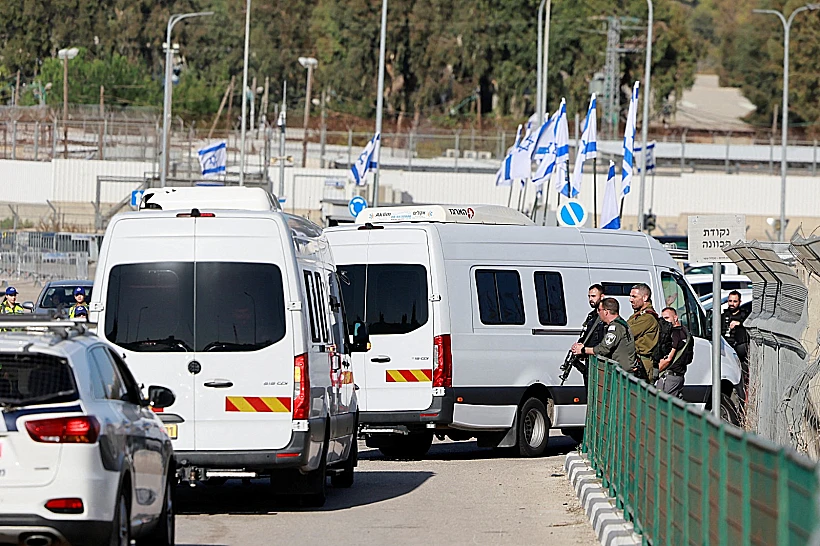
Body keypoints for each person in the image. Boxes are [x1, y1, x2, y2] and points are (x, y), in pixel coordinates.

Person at [571, 297, 637, 372]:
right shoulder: (617, 324)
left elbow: (604, 349)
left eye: (599, 310)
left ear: (606, 312)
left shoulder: (615, 327)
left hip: (622, 374)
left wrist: (583, 350)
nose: (598, 312)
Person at [562, 284, 607, 384]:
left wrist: (584, 349)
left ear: (602, 296)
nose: (591, 299)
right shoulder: (591, 316)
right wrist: (578, 346)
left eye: (594, 296)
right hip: (589, 361)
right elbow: (586, 335)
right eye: (589, 296)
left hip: (599, 362)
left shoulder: (605, 317)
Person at [656, 307, 694, 398]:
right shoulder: (686, 332)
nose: (664, 321)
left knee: (660, 406)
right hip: (679, 377)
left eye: (667, 318)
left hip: (669, 378)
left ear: (675, 317)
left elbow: (668, 359)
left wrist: (654, 373)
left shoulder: (674, 334)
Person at [721, 290, 750, 401]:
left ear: (739, 302)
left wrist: (740, 325)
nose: (732, 304)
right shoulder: (724, 316)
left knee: (741, 381)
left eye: (735, 301)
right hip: (725, 353)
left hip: (739, 355)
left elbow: (749, 331)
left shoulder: (745, 316)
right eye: (730, 301)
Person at [627, 283, 659, 380]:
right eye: (630, 296)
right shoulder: (638, 315)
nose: (630, 299)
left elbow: (626, 333)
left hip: (642, 364)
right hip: (636, 361)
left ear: (645, 298)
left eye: (634, 296)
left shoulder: (647, 317)